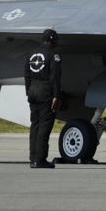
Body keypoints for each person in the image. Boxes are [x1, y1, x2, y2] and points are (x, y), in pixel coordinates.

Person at [25, 29, 62, 169]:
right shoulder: (54, 55)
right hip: (46, 92)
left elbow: (27, 75)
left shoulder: (31, 53)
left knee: (35, 125)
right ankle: (40, 159)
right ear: (52, 40)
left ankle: (32, 158)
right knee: (44, 126)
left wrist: (29, 92)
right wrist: (57, 96)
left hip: (33, 91)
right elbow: (55, 77)